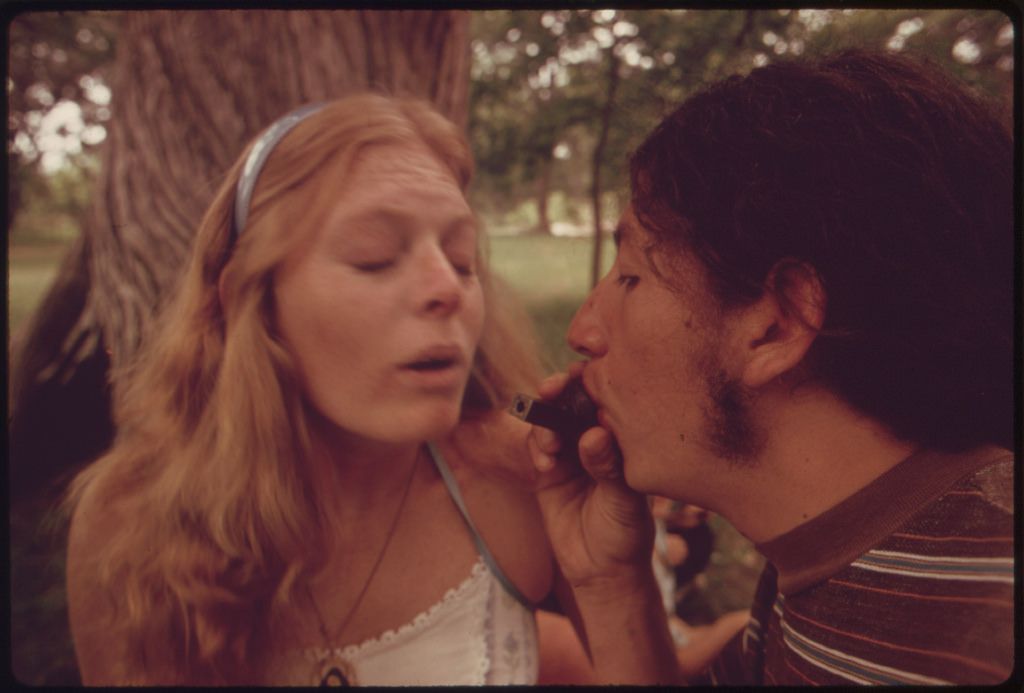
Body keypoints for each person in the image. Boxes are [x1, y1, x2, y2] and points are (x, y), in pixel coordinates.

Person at [527, 49, 1014, 686]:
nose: (582, 331)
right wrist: (611, 582)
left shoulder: (979, 639)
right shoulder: (837, 570)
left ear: (776, 325)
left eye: (630, 276)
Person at [64, 94, 585, 685]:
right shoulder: (128, 524)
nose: (449, 287)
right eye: (374, 258)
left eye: (463, 260)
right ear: (248, 306)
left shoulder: (517, 477)